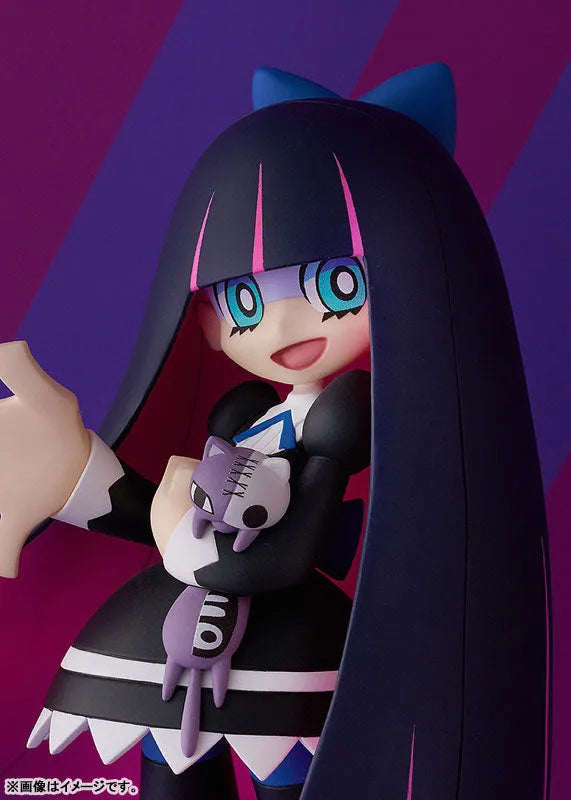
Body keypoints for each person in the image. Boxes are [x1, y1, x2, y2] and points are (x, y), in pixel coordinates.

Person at [0, 65, 549, 800]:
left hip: (277, 649)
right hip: (184, 638)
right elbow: (183, 515)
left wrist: (178, 538)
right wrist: (76, 476)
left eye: (336, 285)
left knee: (283, 769)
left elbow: (276, 554)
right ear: (202, 313)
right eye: (244, 300)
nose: (284, 325)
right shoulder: (246, 414)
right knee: (172, 770)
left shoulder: (340, 418)